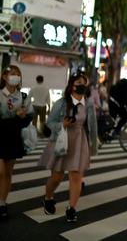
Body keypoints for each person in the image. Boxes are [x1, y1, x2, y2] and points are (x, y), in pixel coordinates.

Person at [39, 72, 98, 223]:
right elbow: (49, 123)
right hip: (61, 139)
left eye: (84, 83)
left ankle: (72, 208)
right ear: (72, 85)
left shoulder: (88, 103)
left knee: (76, 176)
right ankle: (48, 197)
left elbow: (92, 125)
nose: (82, 85)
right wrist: (62, 125)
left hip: (79, 140)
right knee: (57, 176)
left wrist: (94, 145)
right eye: (79, 82)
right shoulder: (62, 103)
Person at [0, 65, 34, 219]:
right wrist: (16, 118)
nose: (15, 76)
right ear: (4, 77)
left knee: (7, 173)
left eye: (18, 74)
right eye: (12, 74)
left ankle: (2, 203)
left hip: (13, 138)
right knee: (0, 172)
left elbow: (29, 117)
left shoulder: (24, 97)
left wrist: (23, 117)